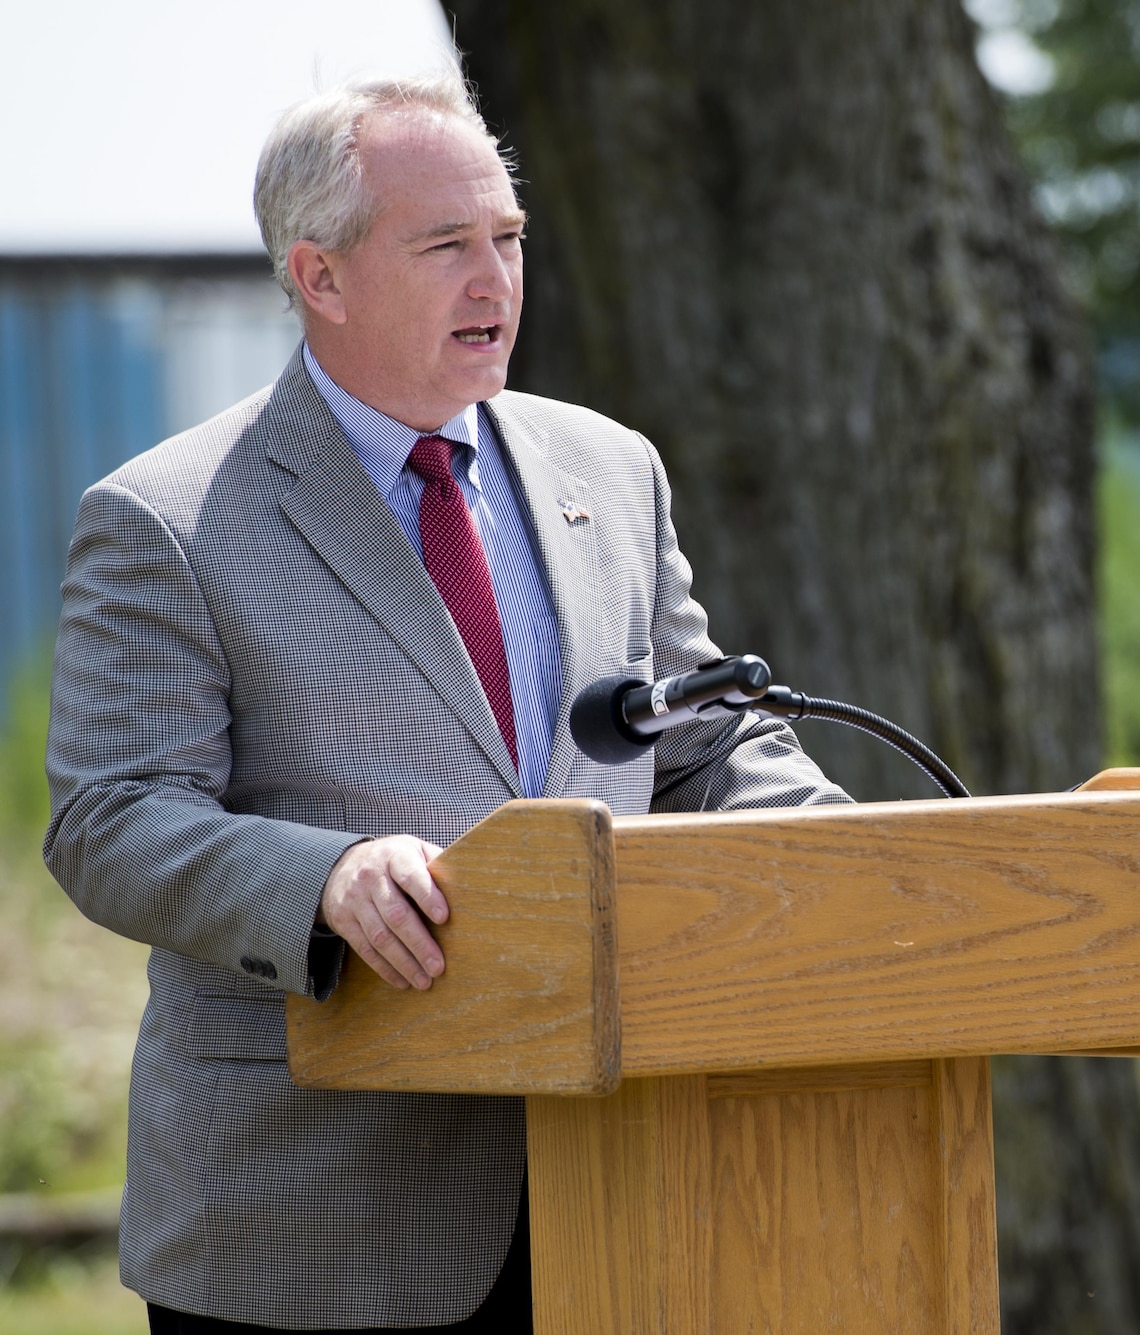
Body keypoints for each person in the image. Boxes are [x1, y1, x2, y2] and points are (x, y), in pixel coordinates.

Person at [42, 74, 845, 1334]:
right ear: (321, 276)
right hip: (316, 1215)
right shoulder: (169, 518)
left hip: (623, 1182)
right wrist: (325, 880)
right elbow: (109, 819)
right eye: (447, 247)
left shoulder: (608, 467)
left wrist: (855, 857)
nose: (497, 280)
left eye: (509, 240)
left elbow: (698, 744)